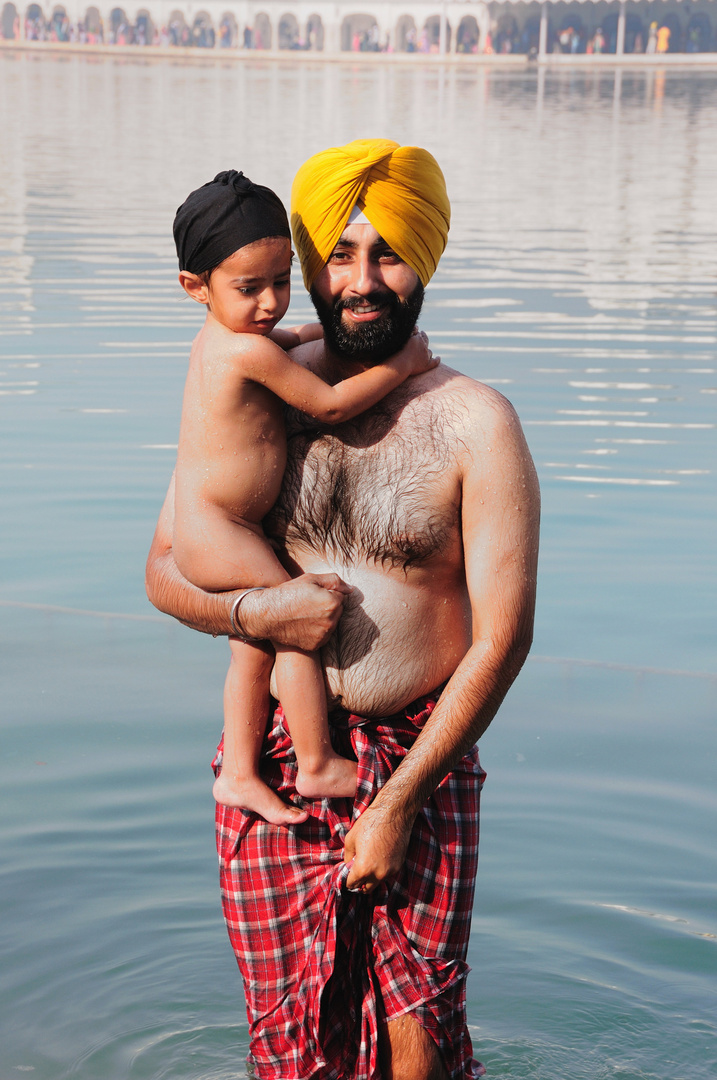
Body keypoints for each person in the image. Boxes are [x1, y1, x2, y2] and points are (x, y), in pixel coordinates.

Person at [146, 139, 540, 1080]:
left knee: (422, 1035)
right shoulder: (255, 386)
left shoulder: (475, 422)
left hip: (421, 759)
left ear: (426, 261)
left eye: (389, 253)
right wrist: (260, 619)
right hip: (284, 765)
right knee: (288, 1039)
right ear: (308, 260)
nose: (362, 281)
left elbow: (504, 638)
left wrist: (399, 801)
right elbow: (164, 571)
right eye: (340, 254)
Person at [171, 169, 435, 822]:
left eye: (281, 283)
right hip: (219, 528)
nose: (269, 304)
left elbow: (286, 341)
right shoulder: (240, 353)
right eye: (248, 289)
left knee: (251, 649)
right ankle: (315, 763)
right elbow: (327, 403)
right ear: (194, 288)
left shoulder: (235, 339)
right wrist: (400, 365)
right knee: (294, 627)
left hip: (224, 526)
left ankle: (237, 772)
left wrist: (330, 333)